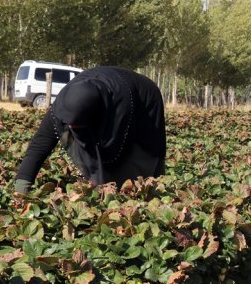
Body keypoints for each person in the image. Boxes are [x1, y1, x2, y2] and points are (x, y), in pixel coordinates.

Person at [14, 66, 166, 194]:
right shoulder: (62, 105)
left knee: (132, 168)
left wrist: (105, 182)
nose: (74, 129)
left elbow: (112, 151)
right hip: (109, 90)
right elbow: (39, 145)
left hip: (143, 97)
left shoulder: (119, 111)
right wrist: (21, 189)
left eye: (79, 126)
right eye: (72, 125)